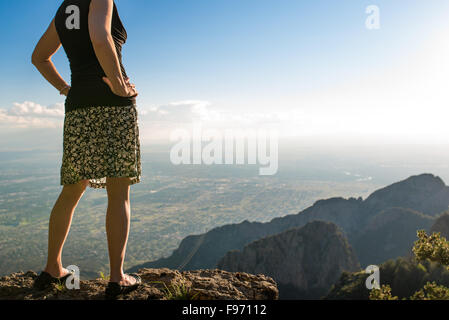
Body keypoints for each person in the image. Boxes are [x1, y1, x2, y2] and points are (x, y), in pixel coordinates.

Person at [31, 0, 142, 298]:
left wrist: (66, 88)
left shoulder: (64, 8)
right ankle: (117, 278)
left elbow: (39, 57)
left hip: (78, 106)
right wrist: (119, 84)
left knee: (71, 190)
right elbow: (99, 36)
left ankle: (52, 268)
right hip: (113, 105)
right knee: (118, 192)